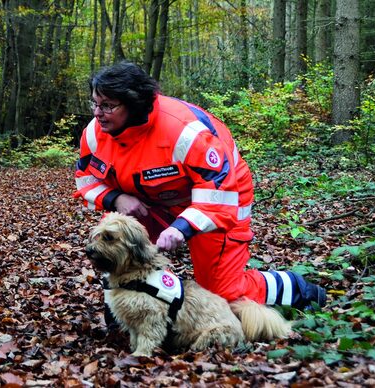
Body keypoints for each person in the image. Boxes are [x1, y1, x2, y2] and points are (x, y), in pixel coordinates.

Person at [74, 61, 326, 311]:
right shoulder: (95, 134)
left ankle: (296, 289)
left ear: (133, 103)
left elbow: (218, 194)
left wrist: (181, 228)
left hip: (220, 200)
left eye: (107, 106)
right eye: (95, 103)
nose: (97, 113)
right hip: (149, 202)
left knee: (222, 292)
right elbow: (86, 179)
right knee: (117, 247)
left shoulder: (186, 132)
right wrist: (116, 199)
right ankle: (134, 306)